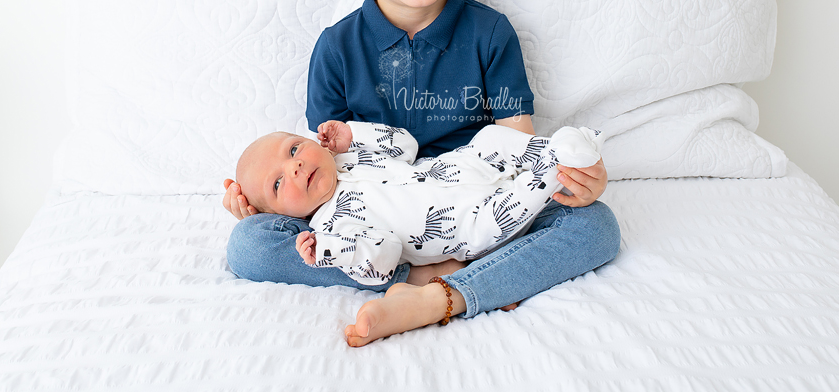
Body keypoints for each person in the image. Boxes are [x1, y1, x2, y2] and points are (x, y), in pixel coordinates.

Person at [223, 0, 621, 347]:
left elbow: (518, 144)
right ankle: (427, 277)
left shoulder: (489, 33)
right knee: (249, 247)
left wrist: (571, 176)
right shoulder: (337, 47)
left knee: (596, 225)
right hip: (378, 215)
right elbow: (323, 165)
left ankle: (442, 295)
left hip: (477, 195)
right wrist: (268, 206)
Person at [234, 120, 603, 286]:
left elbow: (407, 147)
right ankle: (559, 165)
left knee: (490, 137)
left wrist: (354, 135)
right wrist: (333, 251)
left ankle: (552, 147)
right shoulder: (332, 226)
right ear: (282, 215)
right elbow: (384, 258)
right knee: (501, 212)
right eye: (279, 183)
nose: (295, 166)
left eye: (294, 149)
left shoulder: (350, 158)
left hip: (456, 166)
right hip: (465, 224)